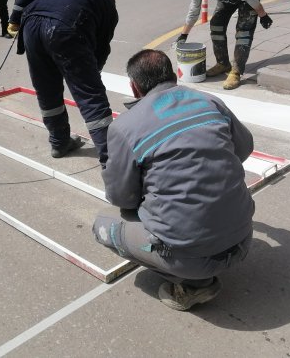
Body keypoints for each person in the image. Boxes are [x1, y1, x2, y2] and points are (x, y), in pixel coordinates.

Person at [93, 49, 255, 311]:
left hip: (193, 257)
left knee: (102, 225)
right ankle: (195, 259)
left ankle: (193, 284)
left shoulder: (125, 126)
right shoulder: (210, 101)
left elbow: (122, 197)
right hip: (243, 239)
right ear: (174, 77)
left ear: (134, 87)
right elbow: (244, 148)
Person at [7, 0, 118, 166]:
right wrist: (89, 76)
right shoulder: (108, 8)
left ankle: (59, 142)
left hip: (31, 26)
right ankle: (113, 161)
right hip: (66, 29)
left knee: (47, 89)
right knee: (91, 97)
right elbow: (101, 50)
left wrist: (15, 17)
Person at [176, 0, 273, 90]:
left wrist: (263, 15)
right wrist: (184, 35)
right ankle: (223, 64)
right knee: (216, 24)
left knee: (243, 30)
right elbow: (194, 12)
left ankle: (236, 72)